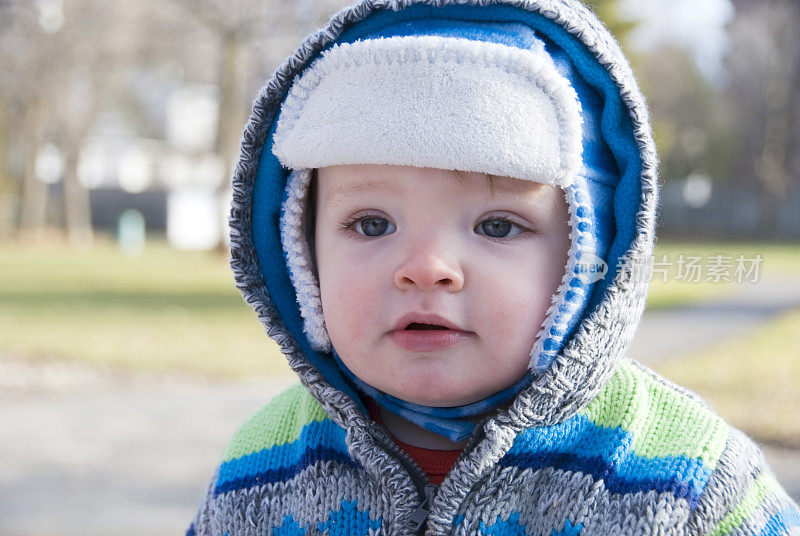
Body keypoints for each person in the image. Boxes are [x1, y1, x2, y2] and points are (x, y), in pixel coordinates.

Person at [187, 1, 800, 534]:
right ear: (301, 258)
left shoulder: (688, 479)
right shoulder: (256, 470)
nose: (426, 268)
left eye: (498, 226)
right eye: (371, 224)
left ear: (589, 262)